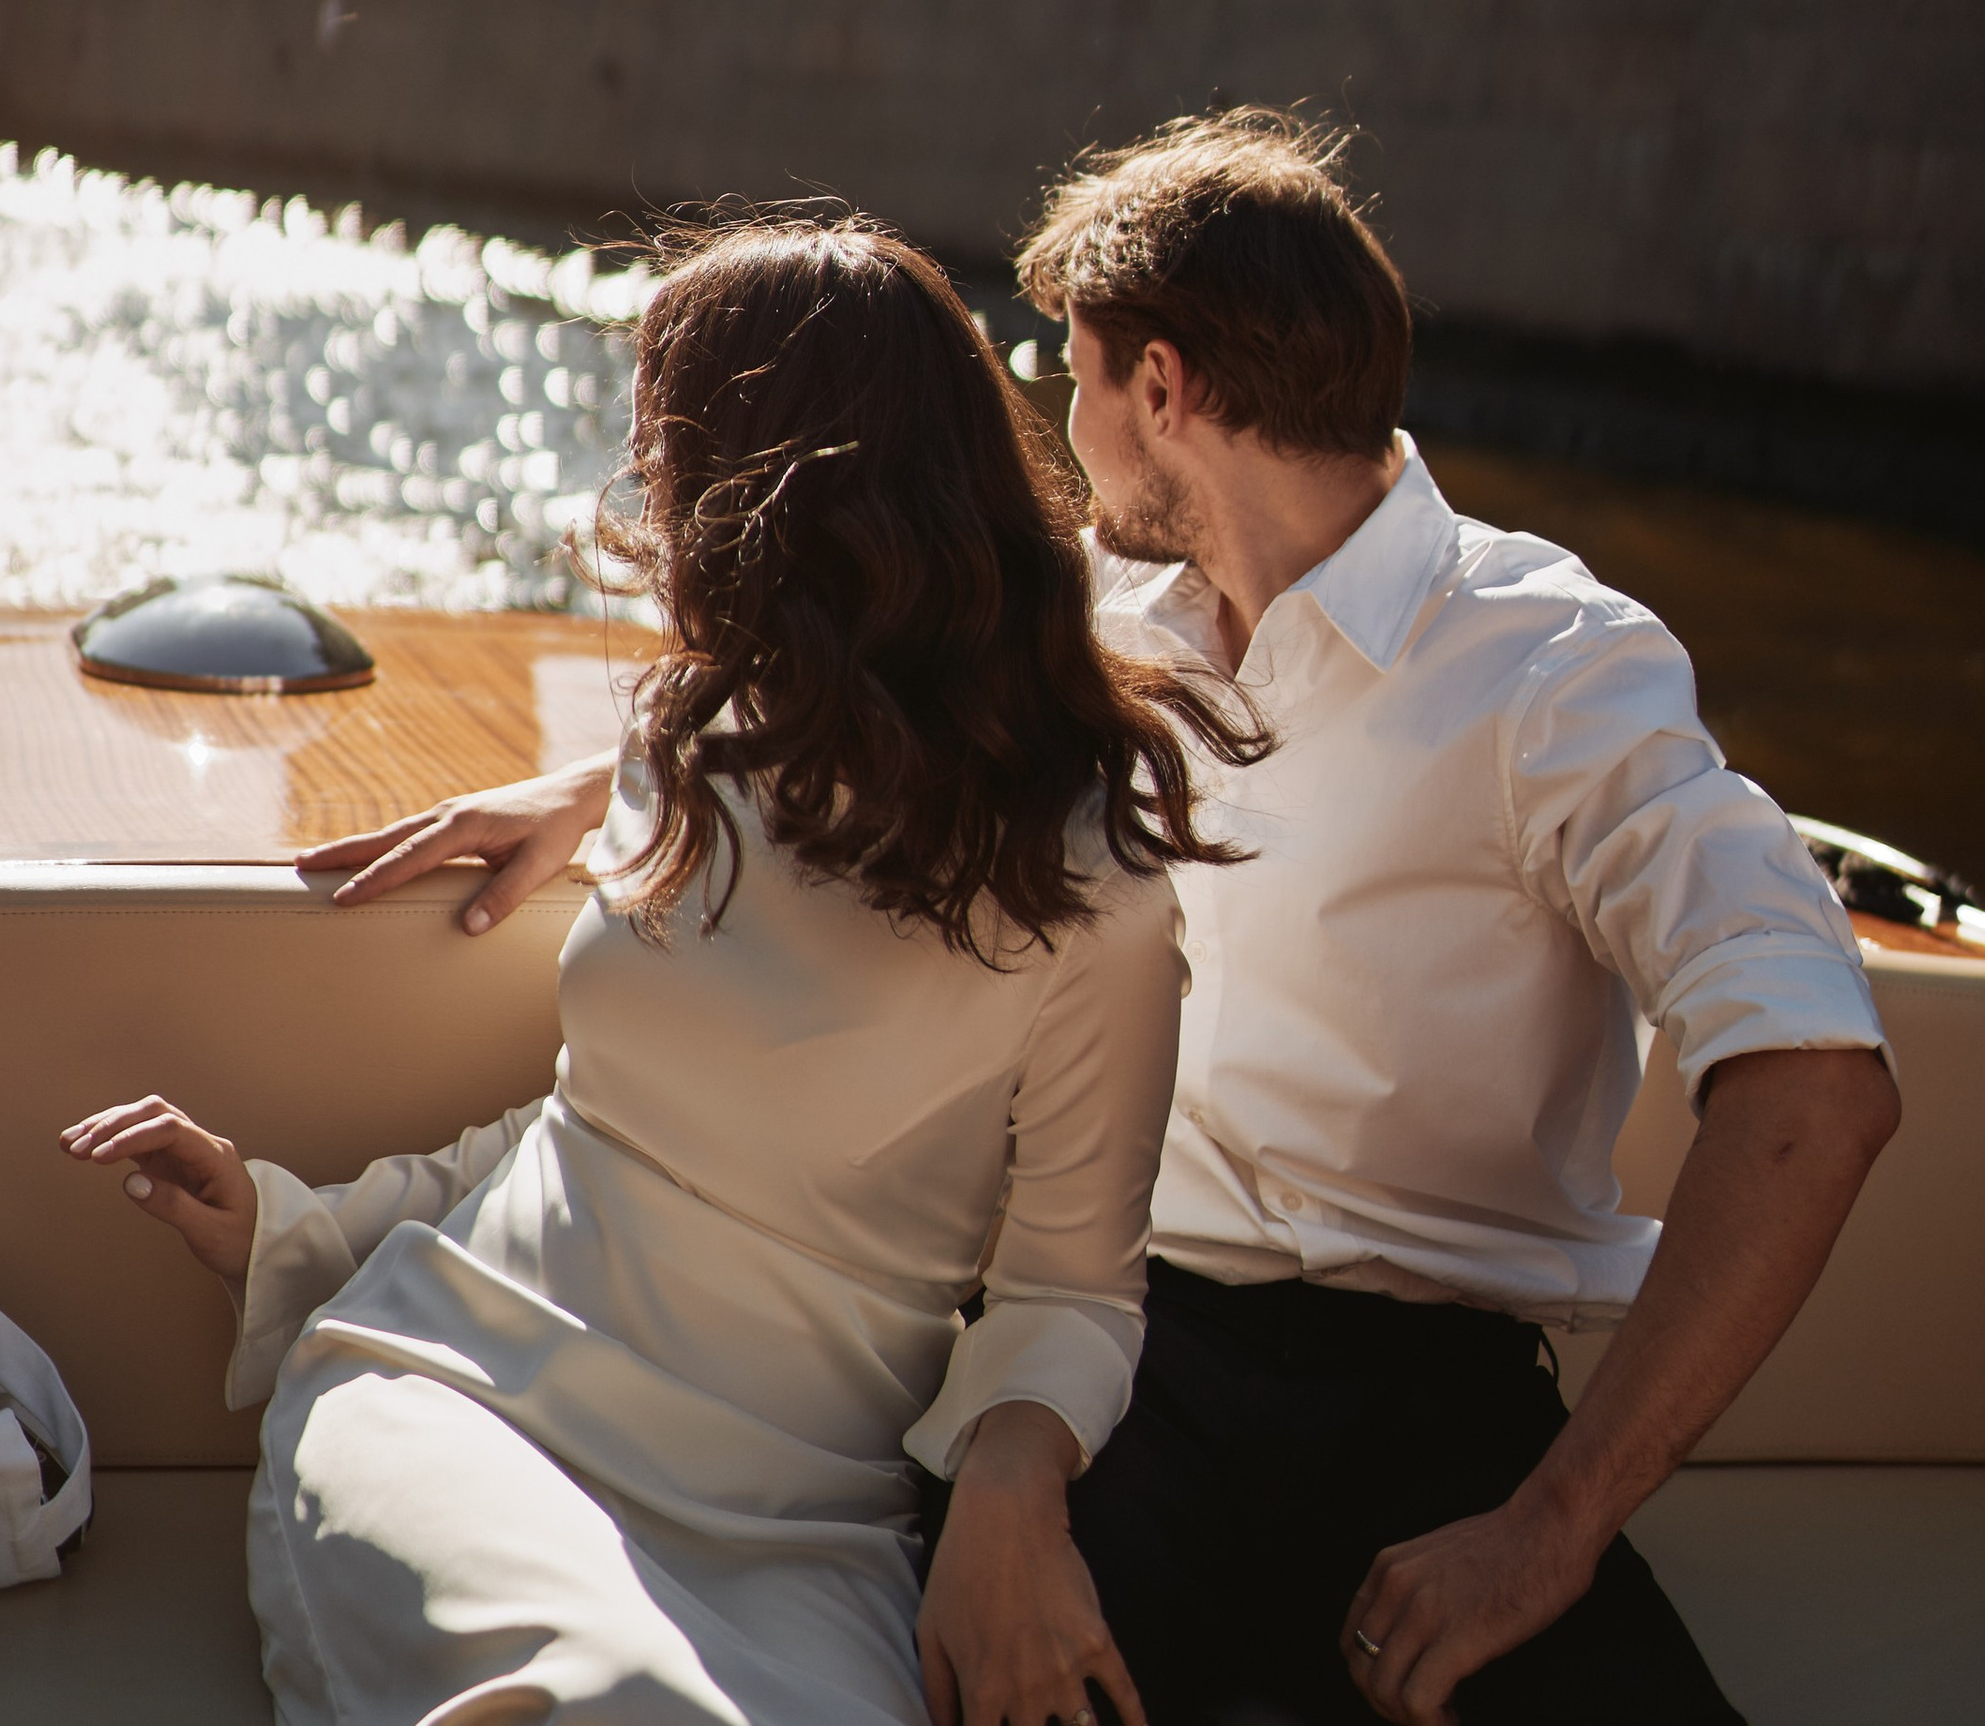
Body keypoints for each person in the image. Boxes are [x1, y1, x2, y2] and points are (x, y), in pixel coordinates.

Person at [373, 116, 1901, 1726]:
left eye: (1075, 371)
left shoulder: (1557, 670)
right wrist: (603, 787)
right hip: (1098, 1368)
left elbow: (1817, 1089)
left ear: (1160, 389)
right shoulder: (1090, 616)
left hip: (1429, 1404)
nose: (1061, 417)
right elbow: (857, 694)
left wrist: (1550, 1532)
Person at [61, 216, 1263, 1726]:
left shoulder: (1092, 878)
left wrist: (1011, 1502)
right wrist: (291, 1226)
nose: (649, 504)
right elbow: (585, 1134)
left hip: (802, 1526)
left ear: (782, 495)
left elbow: (1075, 1293)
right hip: (464, 1404)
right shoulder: (687, 744)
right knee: (614, 1700)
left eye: (671, 460)